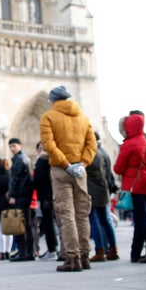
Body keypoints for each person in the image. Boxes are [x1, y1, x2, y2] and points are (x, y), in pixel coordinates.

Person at [40, 86, 97, 272]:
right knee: (82, 214)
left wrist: (66, 165)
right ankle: (85, 255)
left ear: (53, 100)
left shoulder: (48, 117)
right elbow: (92, 145)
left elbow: (49, 145)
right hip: (80, 170)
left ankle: (72, 258)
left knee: (67, 214)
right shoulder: (84, 118)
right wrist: (82, 164)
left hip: (61, 169)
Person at [115, 113, 146, 264]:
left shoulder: (129, 144)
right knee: (142, 218)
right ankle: (135, 253)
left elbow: (118, 168)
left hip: (135, 185)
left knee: (142, 220)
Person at [86, 133, 118, 262]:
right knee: (105, 220)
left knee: (95, 221)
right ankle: (112, 248)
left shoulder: (93, 153)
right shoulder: (102, 151)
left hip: (94, 190)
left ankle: (100, 250)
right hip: (102, 189)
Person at [7, 138, 35, 262]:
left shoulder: (19, 160)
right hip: (25, 195)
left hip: (20, 196)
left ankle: (23, 252)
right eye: (10, 146)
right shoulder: (25, 159)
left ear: (20, 145)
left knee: (19, 224)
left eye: (14, 146)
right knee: (27, 224)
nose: (12, 148)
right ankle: (29, 252)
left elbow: (16, 179)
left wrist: (13, 195)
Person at [33, 142, 58, 260]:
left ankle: (52, 249)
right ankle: (58, 249)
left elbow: (38, 180)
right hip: (55, 194)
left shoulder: (42, 161)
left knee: (49, 224)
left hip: (45, 196)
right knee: (58, 223)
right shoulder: (54, 158)